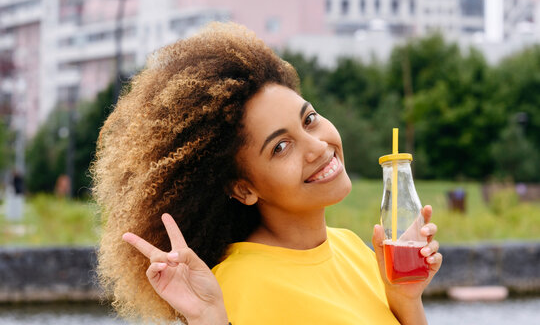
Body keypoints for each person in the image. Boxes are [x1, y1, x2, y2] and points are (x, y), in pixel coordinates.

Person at [93, 22, 442, 325]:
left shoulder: (352, 248)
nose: (318, 146)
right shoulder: (235, 285)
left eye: (309, 119)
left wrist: (405, 299)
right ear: (243, 189)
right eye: (280, 147)